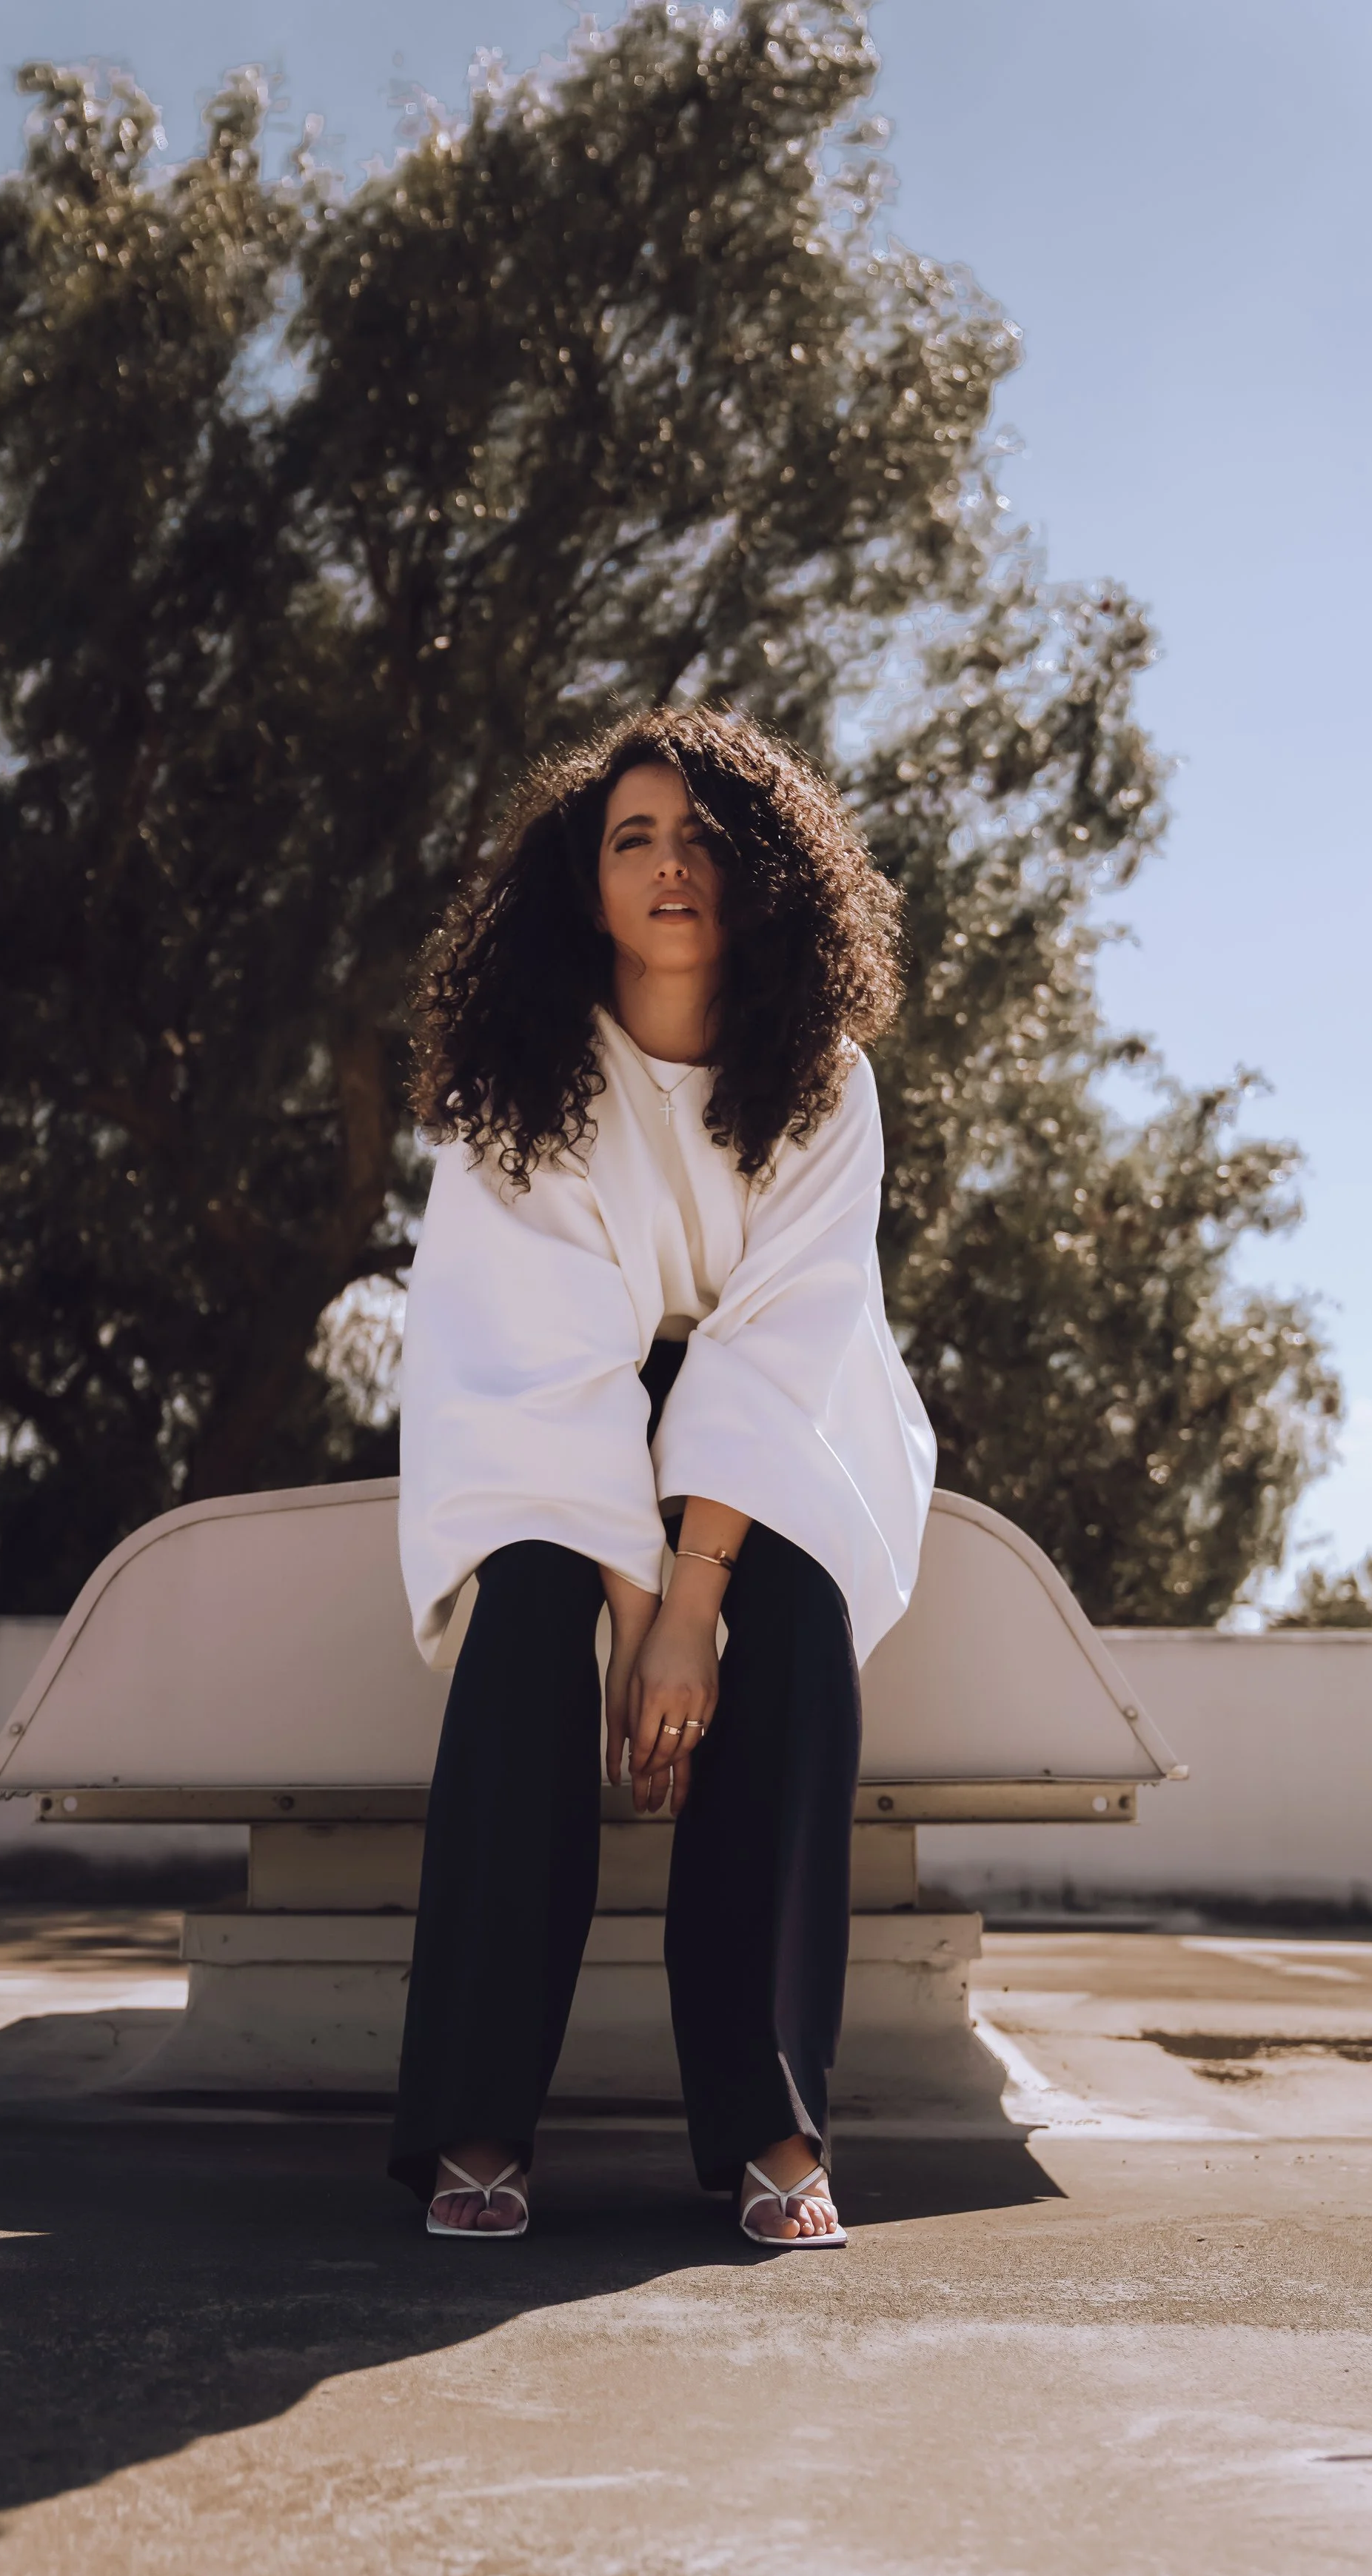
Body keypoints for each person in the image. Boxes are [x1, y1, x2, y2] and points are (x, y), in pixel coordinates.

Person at [391, 709, 936, 2246]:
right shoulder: (524, 1082)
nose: (669, 862)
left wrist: (695, 1595)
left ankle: (772, 2124)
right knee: (525, 1627)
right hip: (560, 1423)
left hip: (780, 1426)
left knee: (793, 1624)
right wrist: (632, 1613)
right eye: (632, 836)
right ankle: (478, 2118)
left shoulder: (823, 1079)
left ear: (760, 869)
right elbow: (542, 1366)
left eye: (701, 832)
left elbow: (783, 1340)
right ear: (586, 883)